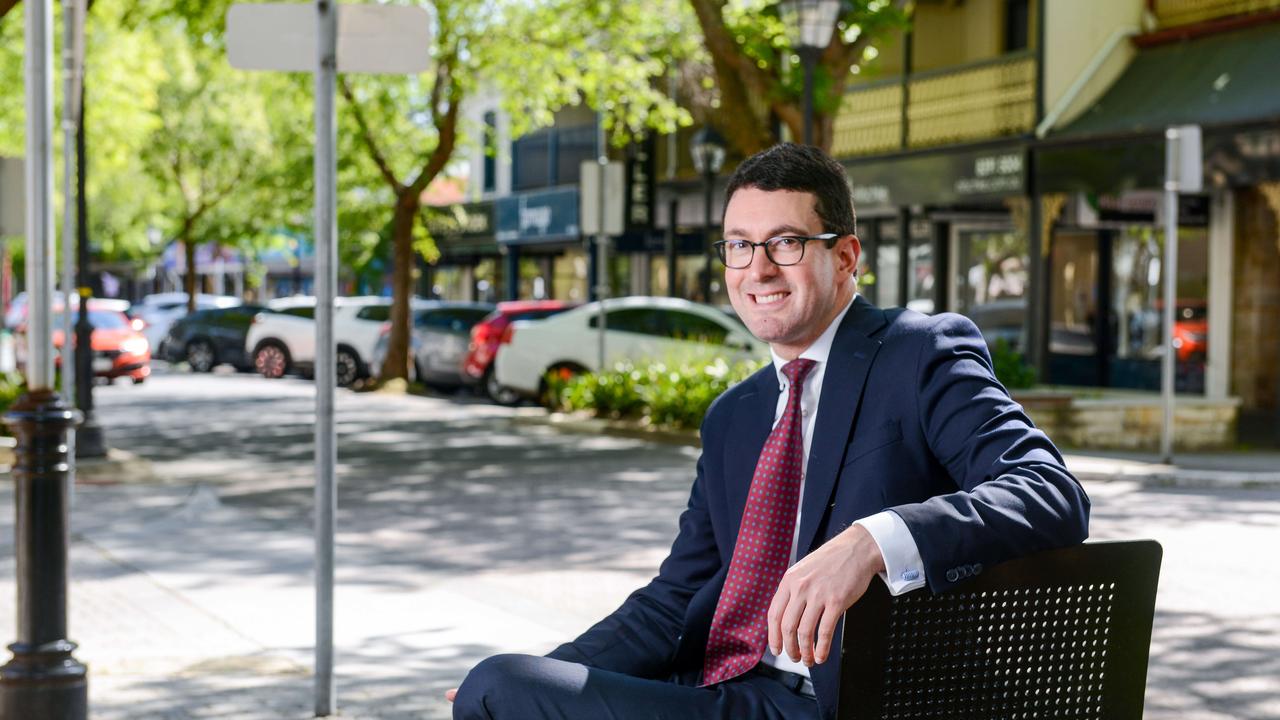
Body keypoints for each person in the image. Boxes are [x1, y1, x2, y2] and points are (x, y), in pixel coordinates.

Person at [449, 143, 1090, 720]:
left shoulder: (917, 353)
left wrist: (873, 541)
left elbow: (1048, 492)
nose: (757, 269)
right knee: (501, 687)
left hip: (845, 699)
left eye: (785, 242)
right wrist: (553, 677)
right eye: (738, 244)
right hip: (726, 689)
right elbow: (675, 597)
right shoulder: (735, 416)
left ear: (845, 257)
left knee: (497, 687)